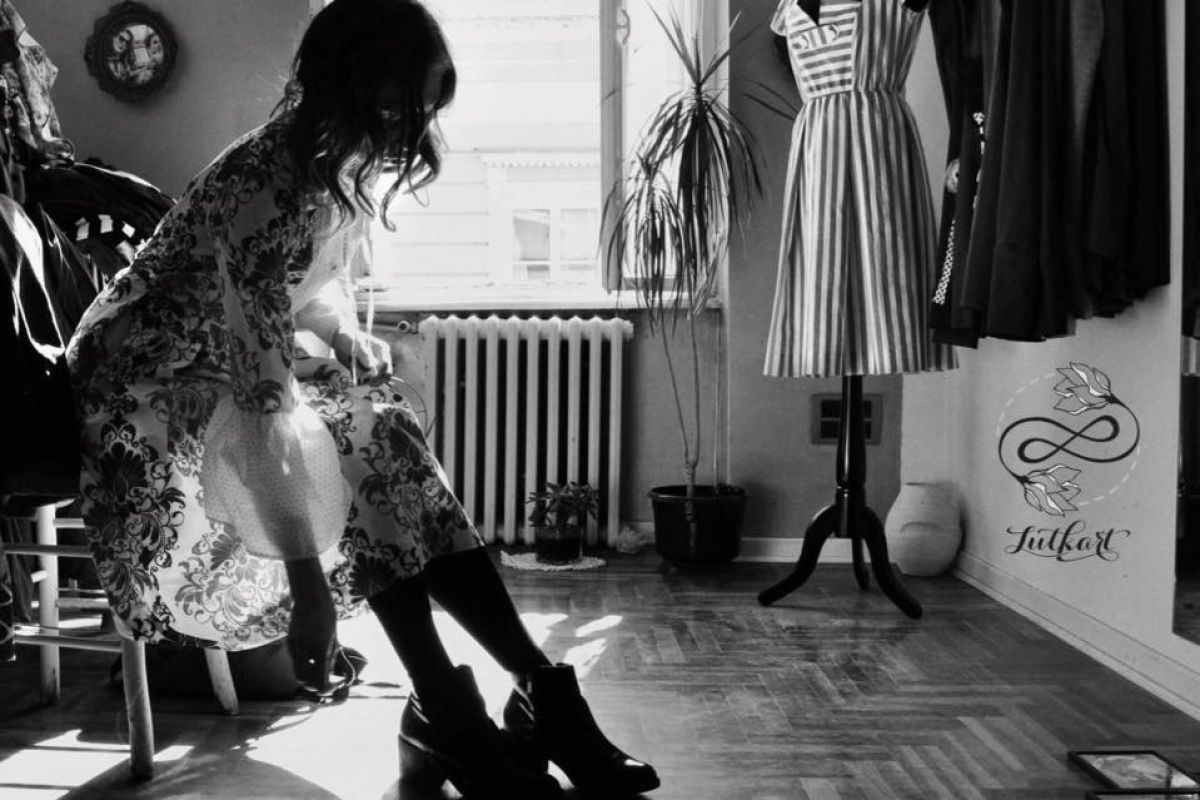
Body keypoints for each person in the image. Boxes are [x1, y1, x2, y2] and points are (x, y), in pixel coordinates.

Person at [64, 0, 659, 797]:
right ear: (344, 89)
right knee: (367, 439)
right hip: (142, 388)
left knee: (384, 431)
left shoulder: (336, 165)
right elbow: (261, 404)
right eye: (397, 111)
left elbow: (305, 289)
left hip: (225, 371)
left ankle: (508, 695)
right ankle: (480, 706)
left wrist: (343, 334)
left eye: (426, 110)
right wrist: (307, 589)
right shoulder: (263, 187)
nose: (411, 135)